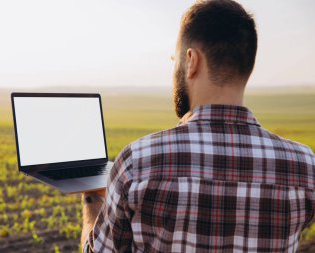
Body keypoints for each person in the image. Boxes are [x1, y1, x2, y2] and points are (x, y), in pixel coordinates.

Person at [81, 0, 315, 252]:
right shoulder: (304, 166)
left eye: (175, 60)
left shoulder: (138, 162)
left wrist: (92, 198)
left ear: (191, 60)